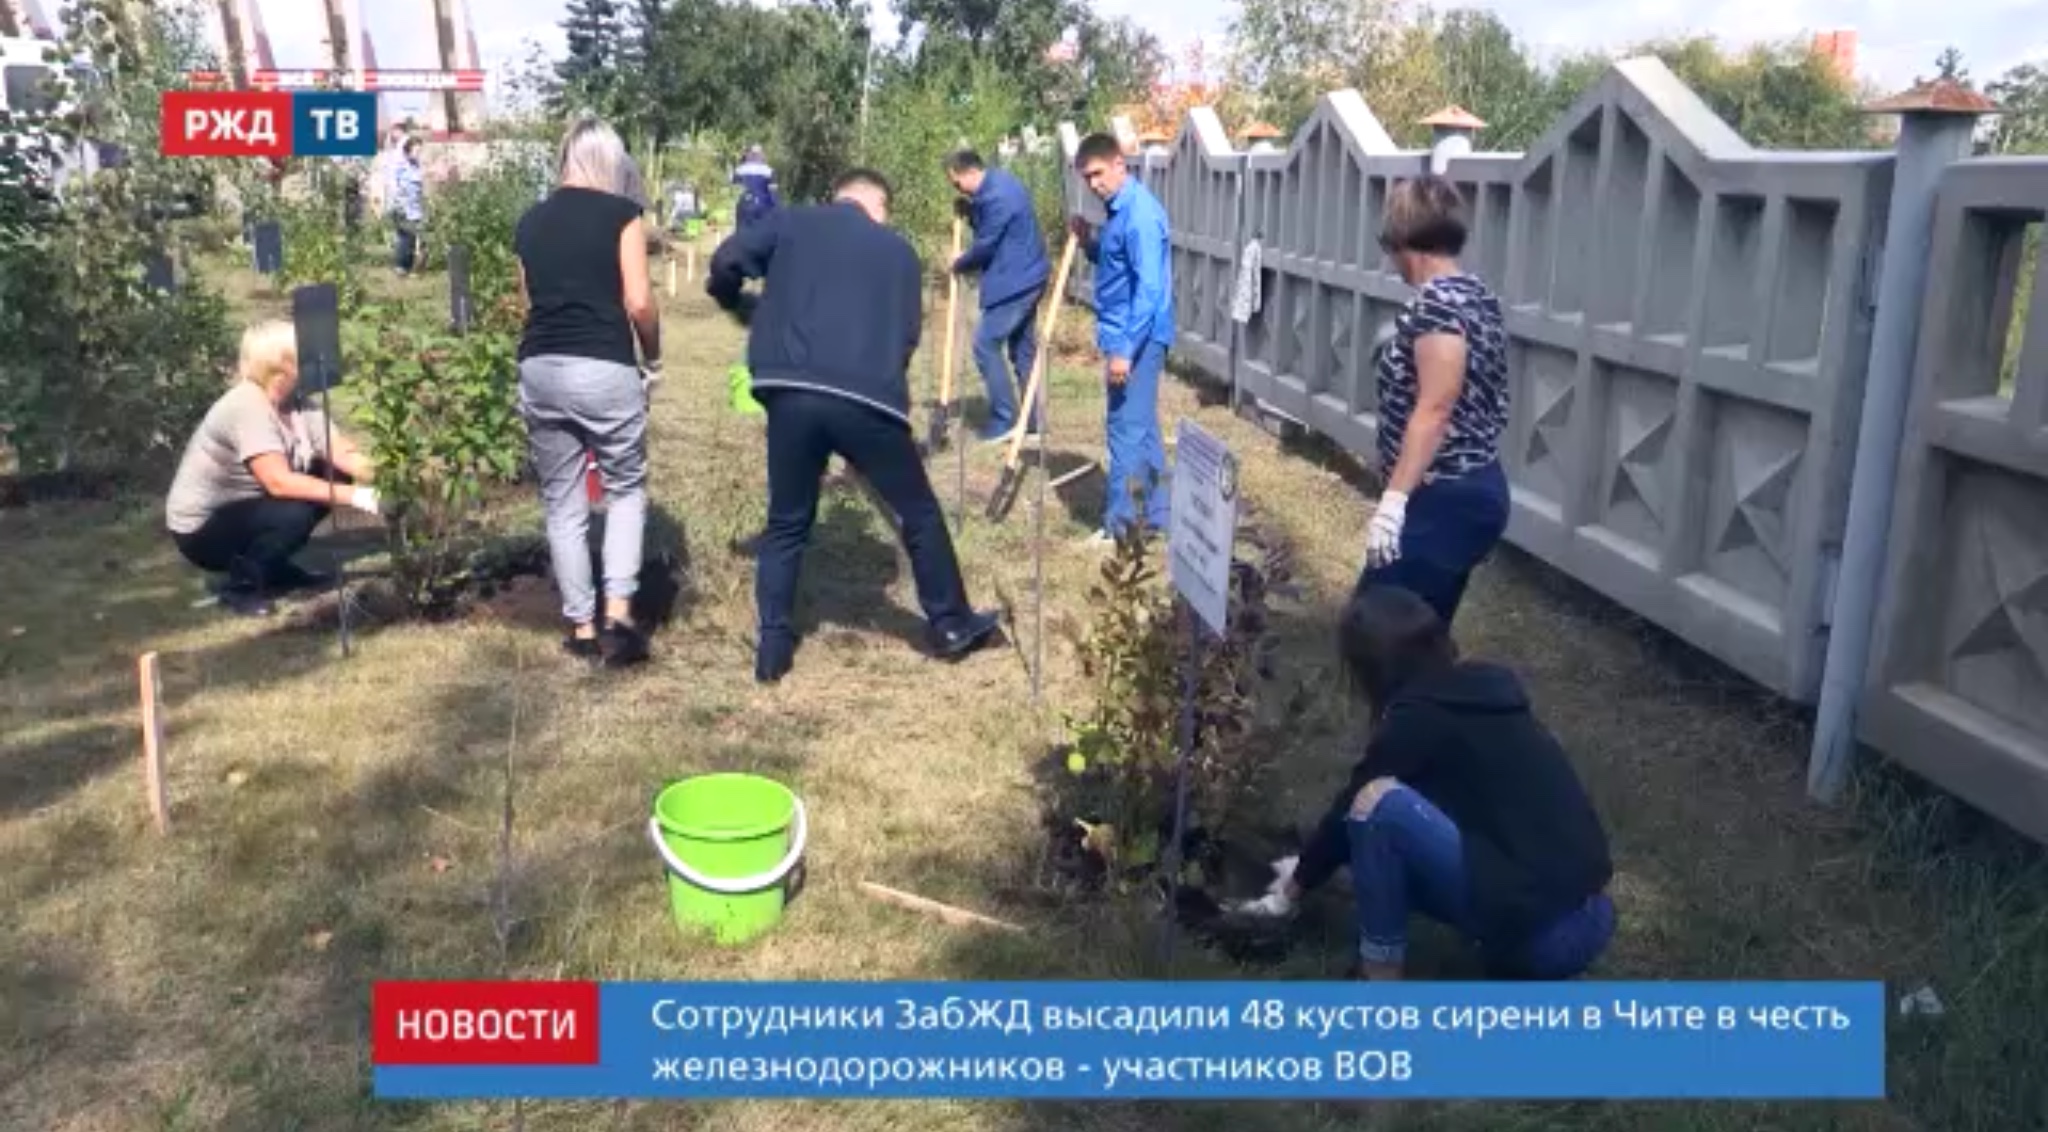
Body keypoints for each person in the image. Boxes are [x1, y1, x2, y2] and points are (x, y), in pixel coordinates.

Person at [706, 168, 1003, 685]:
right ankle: (951, 623)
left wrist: (732, 298)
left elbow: (726, 260)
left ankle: (772, 647)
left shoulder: (792, 221)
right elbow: (906, 337)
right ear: (877, 205)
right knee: (917, 512)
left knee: (787, 521)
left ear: (837, 196)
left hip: (790, 392)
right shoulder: (900, 253)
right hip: (868, 399)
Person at [1233, 585, 1616, 982]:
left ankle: (1379, 976)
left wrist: (1291, 890)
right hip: (1590, 913)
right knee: (1388, 834)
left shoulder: (1417, 720)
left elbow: (1350, 810)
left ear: (1370, 670)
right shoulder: (1479, 693)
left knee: (1378, 806)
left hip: (1544, 941)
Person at [513, 116, 662, 668]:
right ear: (612, 163)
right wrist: (654, 357)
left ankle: (579, 626)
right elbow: (639, 302)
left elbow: (528, 302)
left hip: (540, 365)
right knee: (624, 489)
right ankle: (617, 617)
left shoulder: (530, 222)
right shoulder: (622, 215)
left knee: (562, 500)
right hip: (603, 364)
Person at [1356, 175, 1511, 629]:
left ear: (1401, 239)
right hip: (1474, 487)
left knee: (1378, 629)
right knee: (1423, 631)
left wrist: (1392, 504)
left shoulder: (1436, 304)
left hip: (1446, 495)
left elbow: (1436, 408)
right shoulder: (1476, 295)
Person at [164, 320, 382, 618]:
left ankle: (275, 568)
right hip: (202, 530)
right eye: (303, 353)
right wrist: (359, 497)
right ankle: (241, 586)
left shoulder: (299, 403)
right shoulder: (246, 407)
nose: (313, 357)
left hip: (251, 508)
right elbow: (278, 482)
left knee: (334, 474)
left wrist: (397, 479)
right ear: (280, 363)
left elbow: (341, 453)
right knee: (294, 513)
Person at [1069, 132, 1174, 544]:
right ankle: (1160, 514)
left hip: (1138, 337)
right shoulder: (1118, 211)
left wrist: (1125, 351)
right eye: (1087, 178)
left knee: (1124, 429)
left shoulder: (1140, 215)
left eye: (1098, 174)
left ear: (1119, 164)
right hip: (1125, 333)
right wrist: (1089, 243)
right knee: (1142, 426)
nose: (1093, 184)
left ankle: (1119, 526)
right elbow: (1118, 267)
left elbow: (1148, 290)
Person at [944, 148, 1050, 441]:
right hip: (1029, 274)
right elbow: (993, 224)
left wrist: (959, 263)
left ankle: (1005, 420)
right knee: (1022, 350)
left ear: (969, 172)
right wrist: (970, 211)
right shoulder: (998, 184)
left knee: (985, 343)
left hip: (1017, 281)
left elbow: (986, 245)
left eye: (956, 182)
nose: (956, 188)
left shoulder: (996, 196)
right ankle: (1034, 423)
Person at [390, 136, 425, 275]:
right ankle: (400, 266)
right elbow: (393, 184)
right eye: (417, 151)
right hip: (402, 206)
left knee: (413, 237)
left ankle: (409, 266)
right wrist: (400, 201)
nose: (419, 153)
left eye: (420, 151)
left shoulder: (416, 165)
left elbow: (418, 187)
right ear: (408, 150)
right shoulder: (400, 164)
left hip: (415, 207)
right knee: (406, 236)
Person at [732, 145, 778, 230]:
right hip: (763, 206)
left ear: (748, 155)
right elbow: (773, 193)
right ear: (762, 155)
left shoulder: (739, 170)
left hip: (744, 206)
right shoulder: (769, 171)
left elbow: (735, 191)